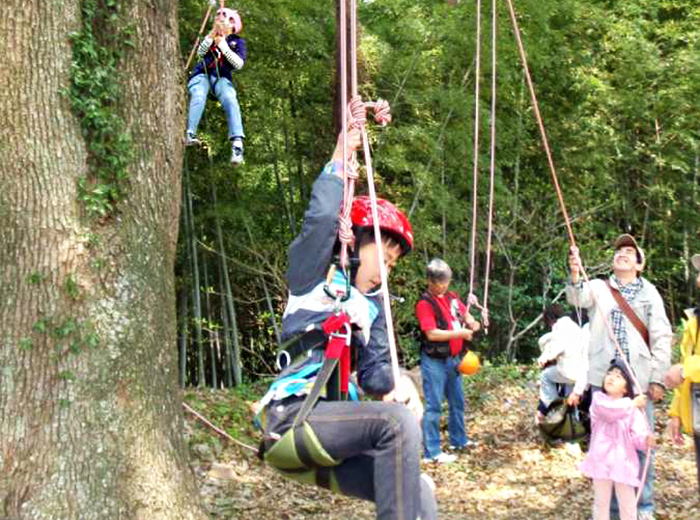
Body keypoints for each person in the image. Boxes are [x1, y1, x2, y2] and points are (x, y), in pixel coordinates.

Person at [257, 123, 437, 520]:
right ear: (353, 242)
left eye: (393, 266)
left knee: (418, 489)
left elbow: (375, 374)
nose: (385, 272)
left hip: (334, 435)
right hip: (293, 419)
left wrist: (399, 382)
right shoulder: (312, 278)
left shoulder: (371, 309)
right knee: (396, 424)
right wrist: (341, 155)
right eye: (383, 258)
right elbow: (321, 215)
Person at [567, 234, 672, 520]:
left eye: (629, 251)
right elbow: (577, 296)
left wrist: (658, 378)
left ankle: (642, 507)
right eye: (619, 251)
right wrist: (576, 271)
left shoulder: (649, 293)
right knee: (604, 445)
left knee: (640, 444)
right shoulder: (599, 287)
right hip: (604, 379)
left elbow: (662, 336)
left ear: (639, 264)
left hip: (638, 381)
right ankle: (610, 511)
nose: (622, 254)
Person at [415, 258, 481, 464]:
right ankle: (432, 452)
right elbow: (432, 333)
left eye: (446, 281)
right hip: (434, 361)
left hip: (454, 359)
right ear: (430, 281)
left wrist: (472, 322)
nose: (443, 285)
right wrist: (459, 333)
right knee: (434, 405)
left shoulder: (452, 298)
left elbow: (466, 315)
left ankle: (458, 440)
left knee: (457, 402)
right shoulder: (424, 304)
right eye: (439, 282)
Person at [580, 360, 655, 520]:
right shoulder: (598, 400)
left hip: (623, 463)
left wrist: (645, 440)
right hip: (601, 462)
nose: (611, 377)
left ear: (626, 388)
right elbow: (610, 412)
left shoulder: (633, 410)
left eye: (618, 376)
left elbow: (637, 436)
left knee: (628, 504)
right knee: (601, 503)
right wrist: (633, 403)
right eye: (609, 374)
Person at [185, 7, 247, 165]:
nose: (221, 20)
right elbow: (200, 53)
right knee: (198, 94)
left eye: (225, 18)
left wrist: (224, 46)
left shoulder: (237, 42)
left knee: (229, 98)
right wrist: (211, 37)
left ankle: (237, 144)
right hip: (202, 75)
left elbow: (238, 64)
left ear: (233, 24)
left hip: (222, 79)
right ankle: (189, 132)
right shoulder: (211, 37)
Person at [664, 253, 700, 493]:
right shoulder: (694, 319)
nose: (698, 279)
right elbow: (686, 366)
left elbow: (686, 368)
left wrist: (685, 369)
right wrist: (676, 412)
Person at [536, 304, 589, 422]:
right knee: (570, 400)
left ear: (550, 319)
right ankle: (572, 426)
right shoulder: (573, 325)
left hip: (569, 370)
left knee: (545, 376)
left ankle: (554, 408)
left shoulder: (559, 326)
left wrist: (544, 358)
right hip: (580, 373)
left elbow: (556, 348)